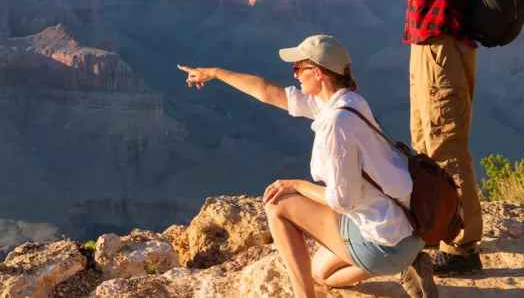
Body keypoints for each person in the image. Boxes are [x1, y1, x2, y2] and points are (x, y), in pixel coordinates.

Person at [177, 35, 438, 298]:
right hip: (405, 230)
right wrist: (215, 73)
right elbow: (268, 92)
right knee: (321, 274)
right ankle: (408, 265)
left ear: (319, 73)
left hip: (384, 242)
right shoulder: (348, 102)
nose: (295, 75)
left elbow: (342, 201)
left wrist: (297, 186)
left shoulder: (337, 124)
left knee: (277, 204)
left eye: (299, 69)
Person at [374, 0, 485, 276]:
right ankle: (438, 227)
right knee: (425, 143)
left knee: (447, 145)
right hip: (428, 46)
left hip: (443, 48)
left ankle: (464, 246)